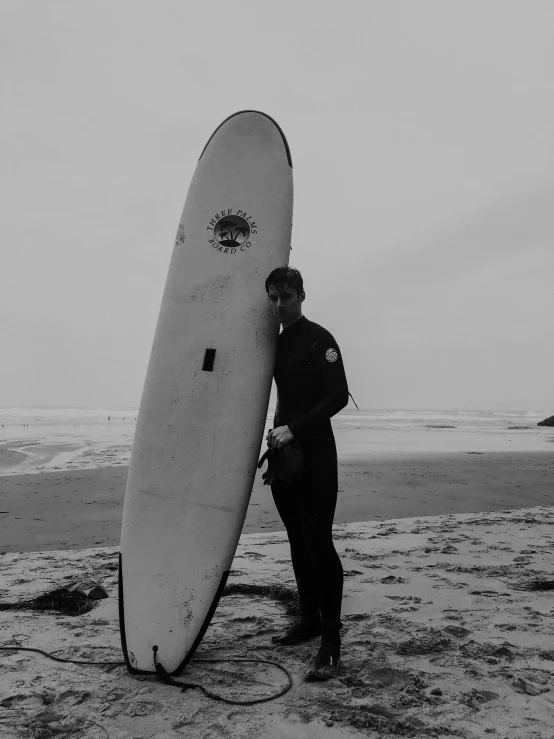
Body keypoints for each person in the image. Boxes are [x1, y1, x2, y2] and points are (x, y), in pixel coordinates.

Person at [263, 265, 349, 681]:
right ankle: (309, 619)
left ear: (301, 295)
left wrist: (294, 428)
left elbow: (338, 396)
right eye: (274, 298)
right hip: (284, 458)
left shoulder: (319, 339)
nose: (280, 305)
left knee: (319, 543)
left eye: (287, 297)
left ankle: (331, 642)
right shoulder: (272, 344)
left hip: (315, 456)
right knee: (297, 542)